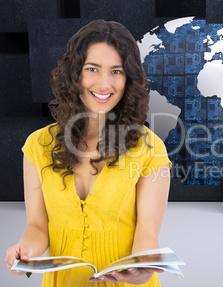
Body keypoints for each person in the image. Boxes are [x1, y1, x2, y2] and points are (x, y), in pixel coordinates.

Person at [5, 20, 172, 286]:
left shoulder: (150, 149)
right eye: (92, 69)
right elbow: (37, 227)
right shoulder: (38, 146)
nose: (104, 84)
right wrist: (25, 249)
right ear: (74, 74)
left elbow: (147, 234)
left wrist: (143, 267)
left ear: (129, 78)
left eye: (116, 71)